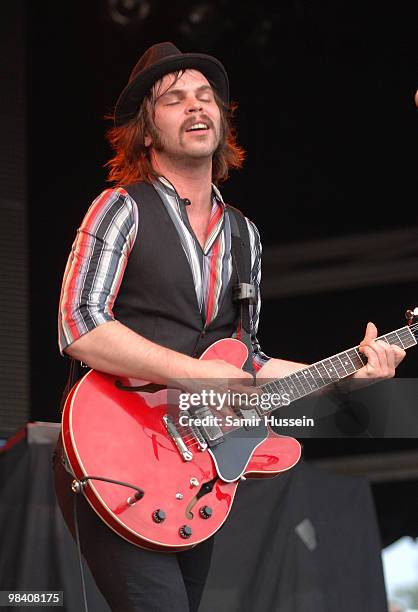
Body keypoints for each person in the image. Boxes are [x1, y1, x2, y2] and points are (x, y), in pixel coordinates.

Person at [53, 41, 406, 612]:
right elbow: (81, 326)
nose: (197, 108)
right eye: (174, 100)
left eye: (205, 98)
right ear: (146, 131)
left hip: (196, 468)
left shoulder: (245, 235)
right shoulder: (120, 207)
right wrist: (198, 376)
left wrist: (349, 375)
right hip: (115, 451)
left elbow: (248, 360)